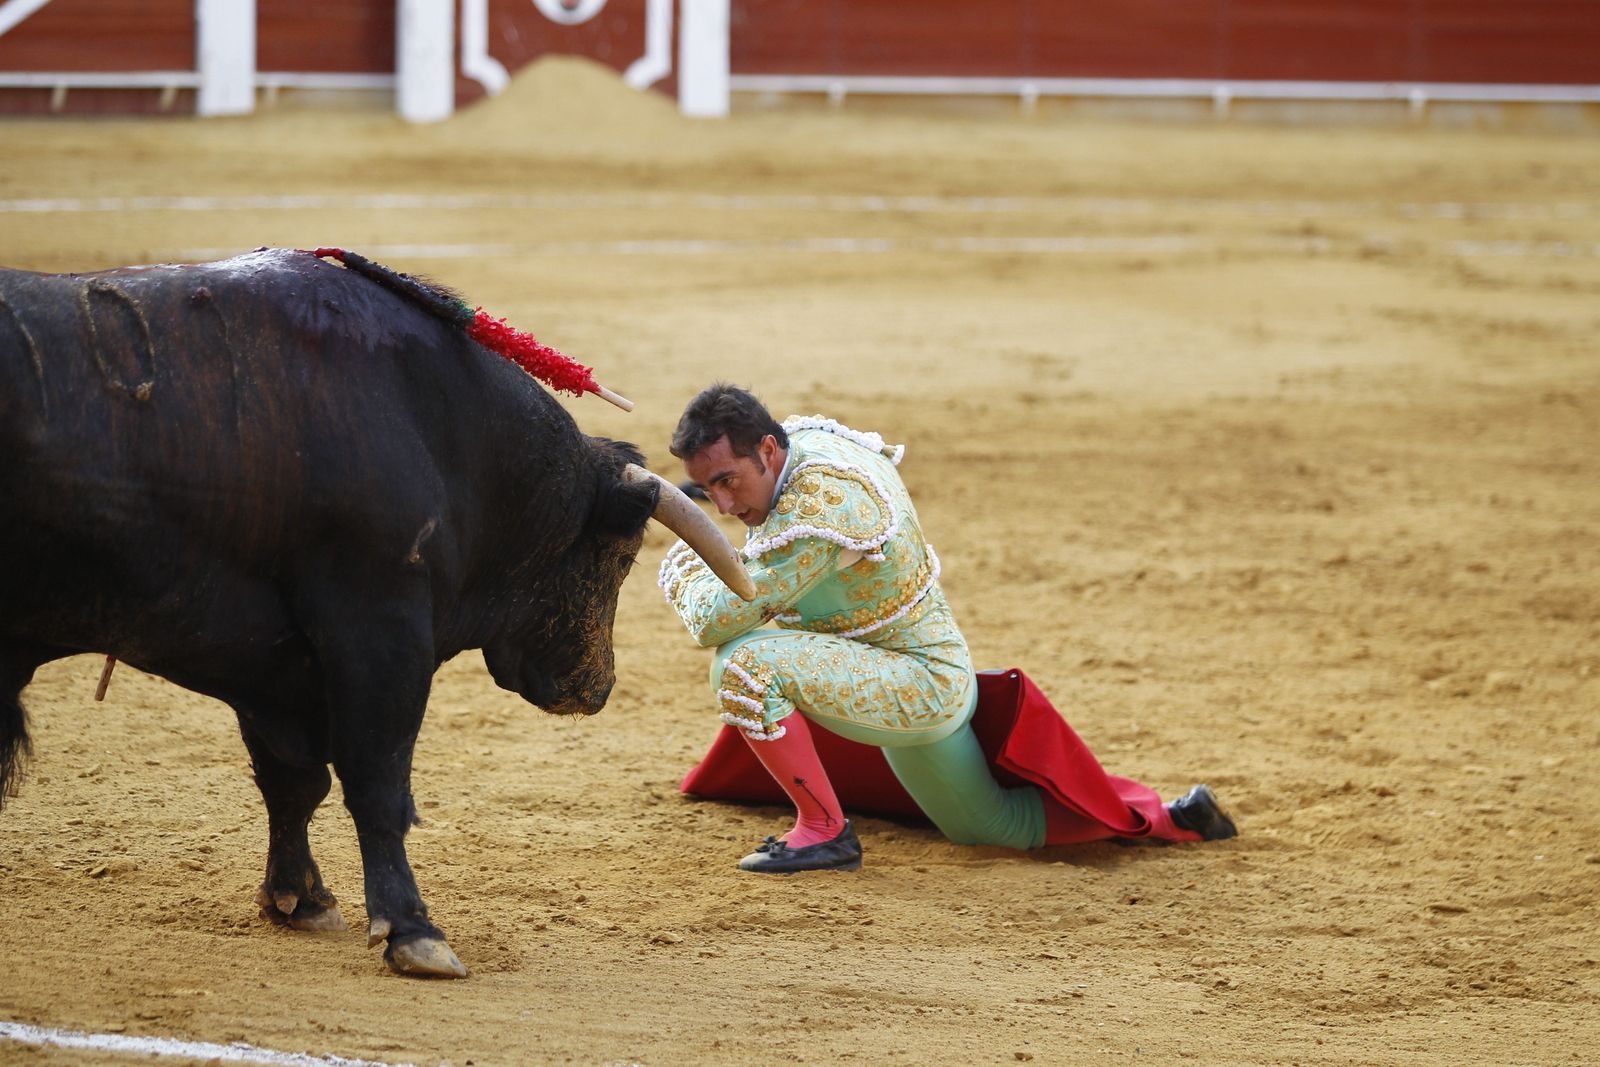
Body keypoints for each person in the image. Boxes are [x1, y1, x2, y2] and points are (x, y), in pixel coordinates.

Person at [657, 383, 1236, 874]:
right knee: (989, 827)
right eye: (709, 491)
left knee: (743, 662)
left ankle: (825, 829)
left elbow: (716, 619)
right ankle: (1171, 818)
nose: (724, 506)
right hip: (902, 670)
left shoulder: (826, 504)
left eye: (729, 482)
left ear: (768, 448)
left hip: (917, 684)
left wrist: (682, 563)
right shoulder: (804, 451)